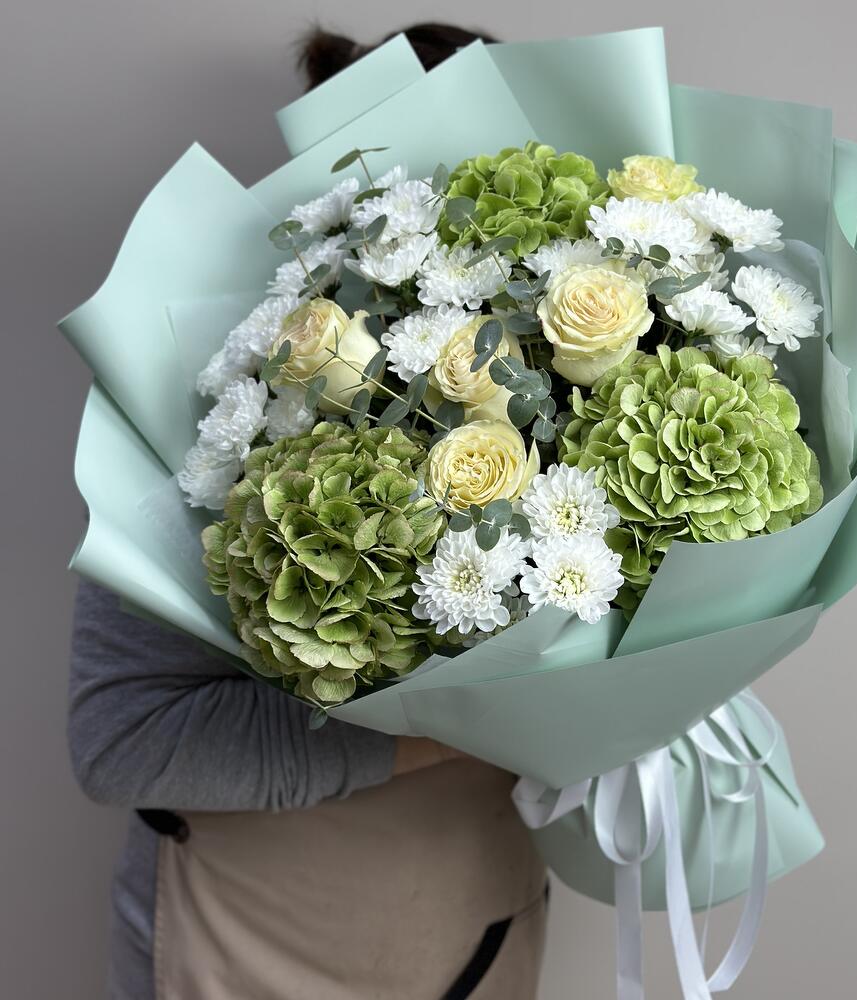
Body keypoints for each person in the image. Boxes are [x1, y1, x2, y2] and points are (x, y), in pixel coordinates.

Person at [67, 24, 547, 1000]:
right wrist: (480, 727)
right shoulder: (201, 385)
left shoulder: (589, 373)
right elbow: (124, 738)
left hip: (473, 934)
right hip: (242, 947)